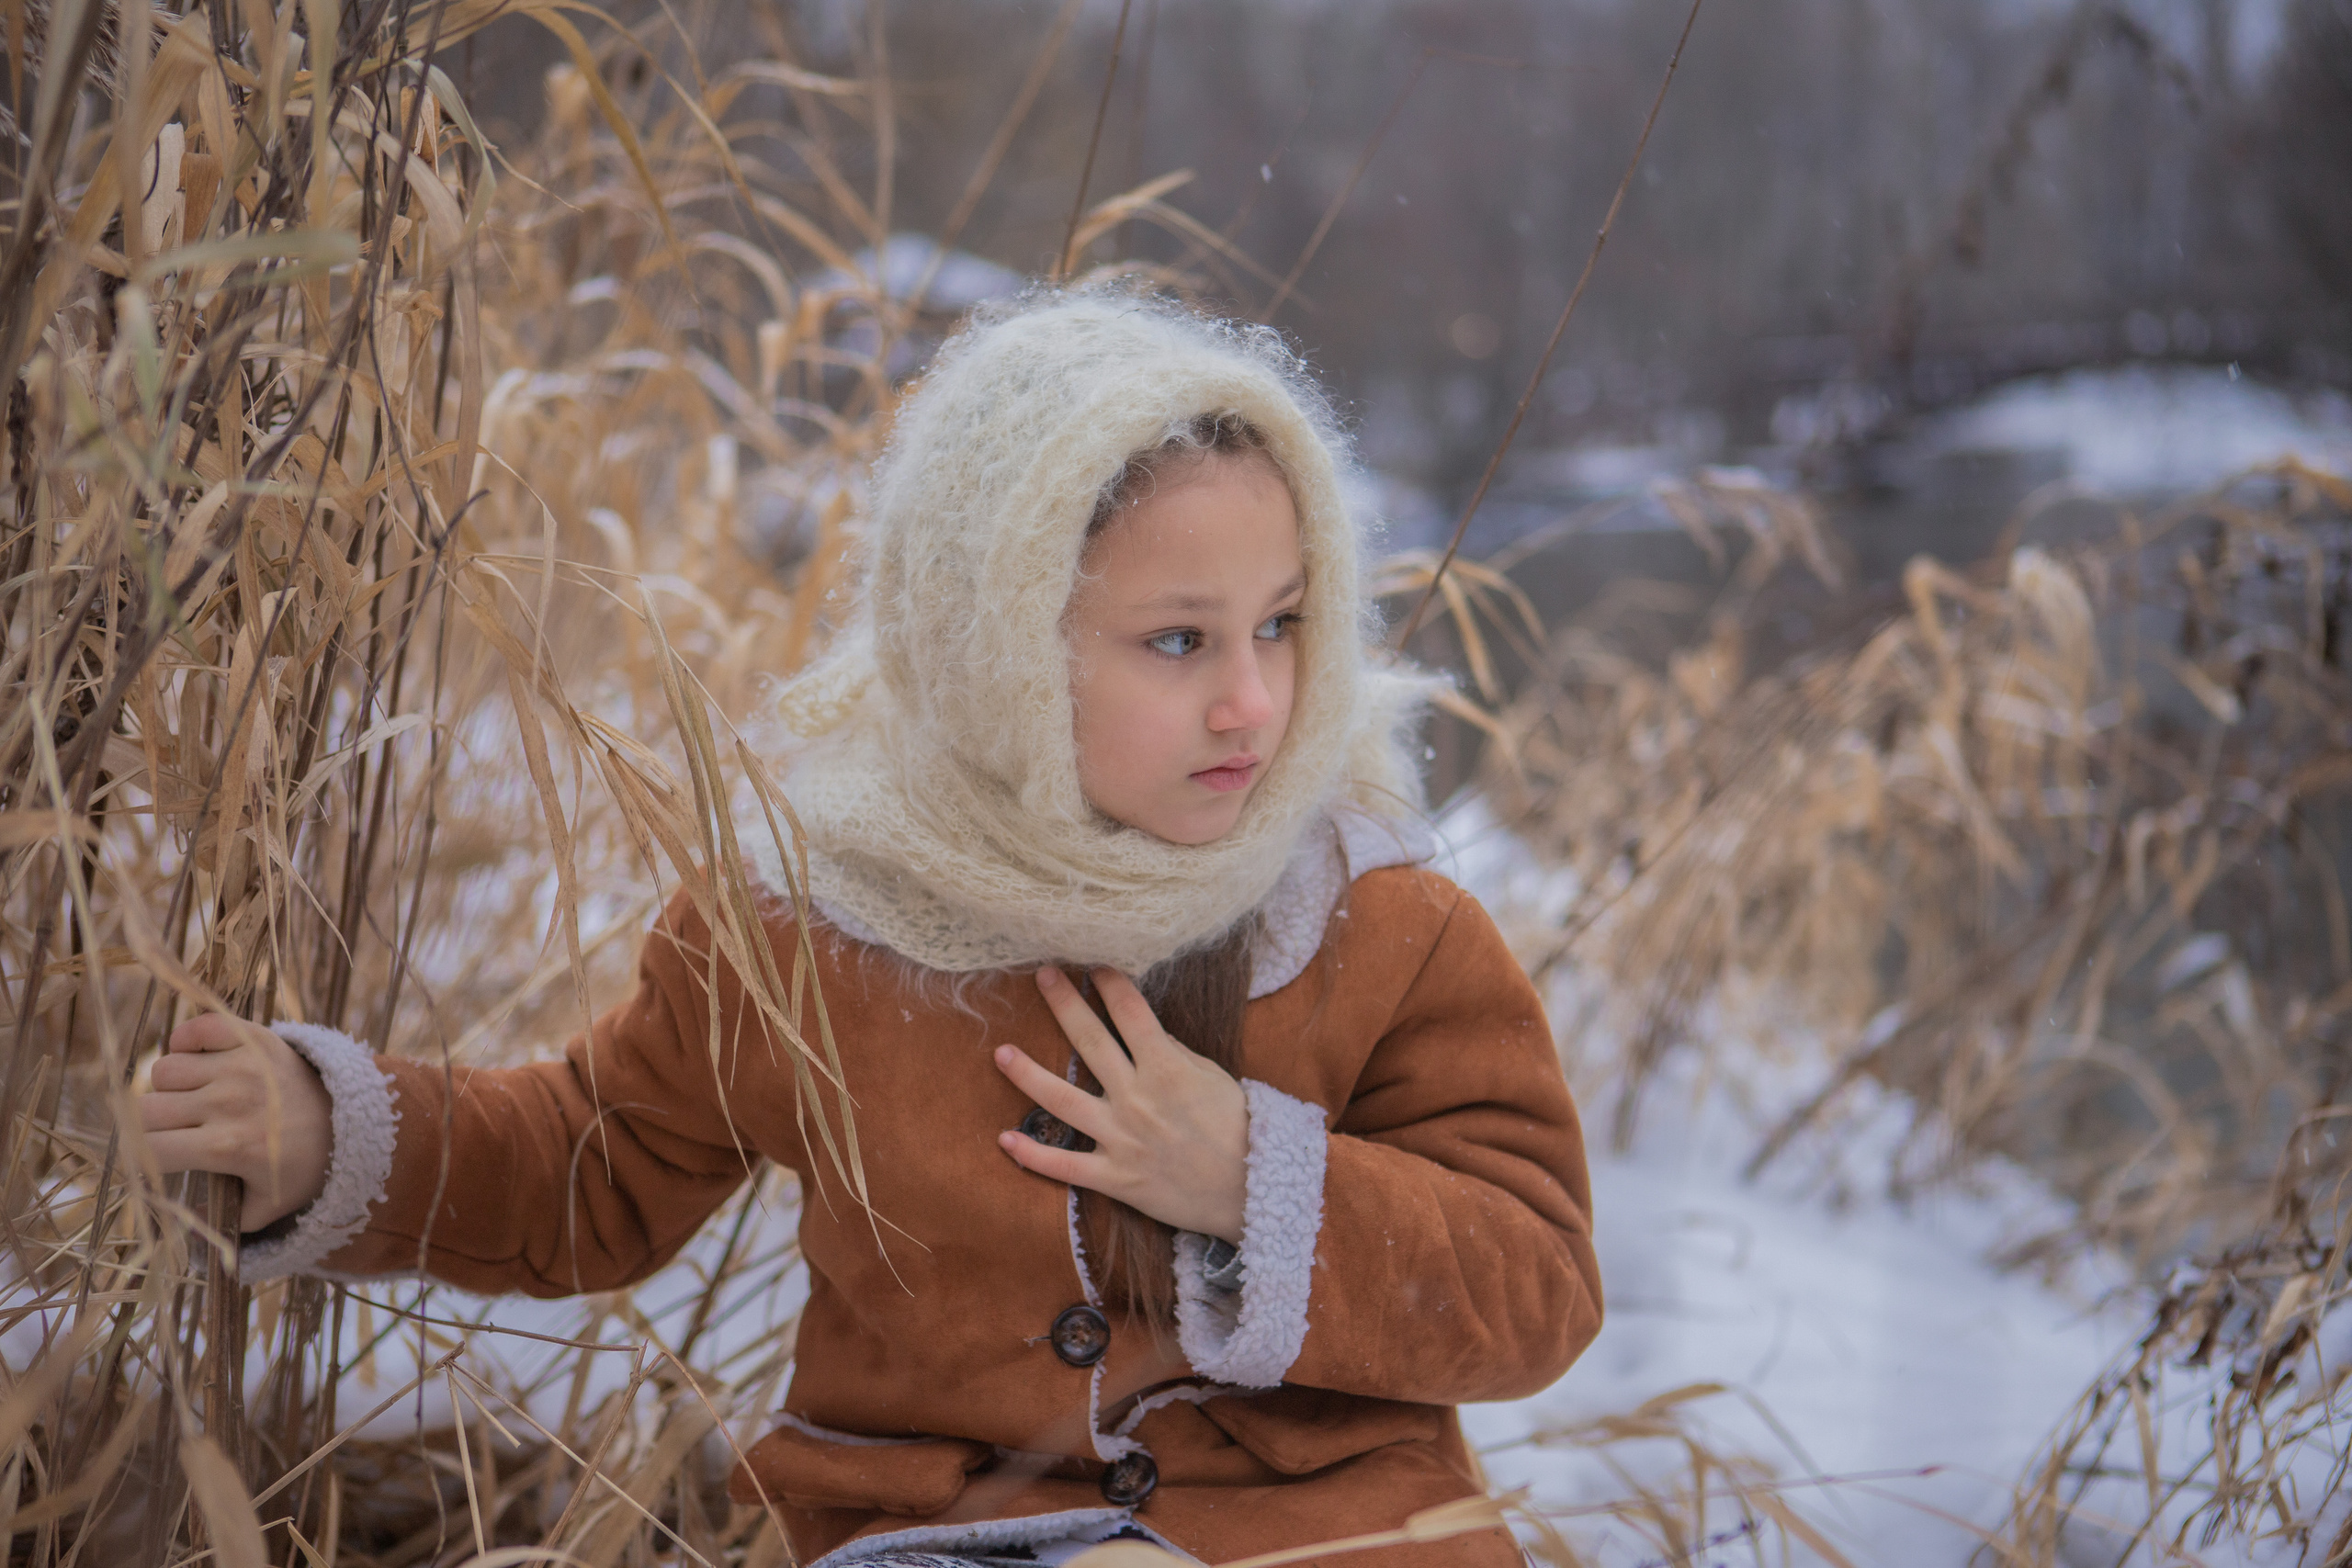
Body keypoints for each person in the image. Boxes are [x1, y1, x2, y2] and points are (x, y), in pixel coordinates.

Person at [138, 288, 1602, 1568]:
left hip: (1325, 1539)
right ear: (997, 649)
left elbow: (1534, 1287)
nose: (1253, 703)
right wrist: (337, 1141)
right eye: (1179, 639)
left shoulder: (1370, 918)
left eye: (1281, 622)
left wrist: (1250, 1181)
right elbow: (593, 1169)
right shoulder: (812, 926)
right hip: (942, 1536)